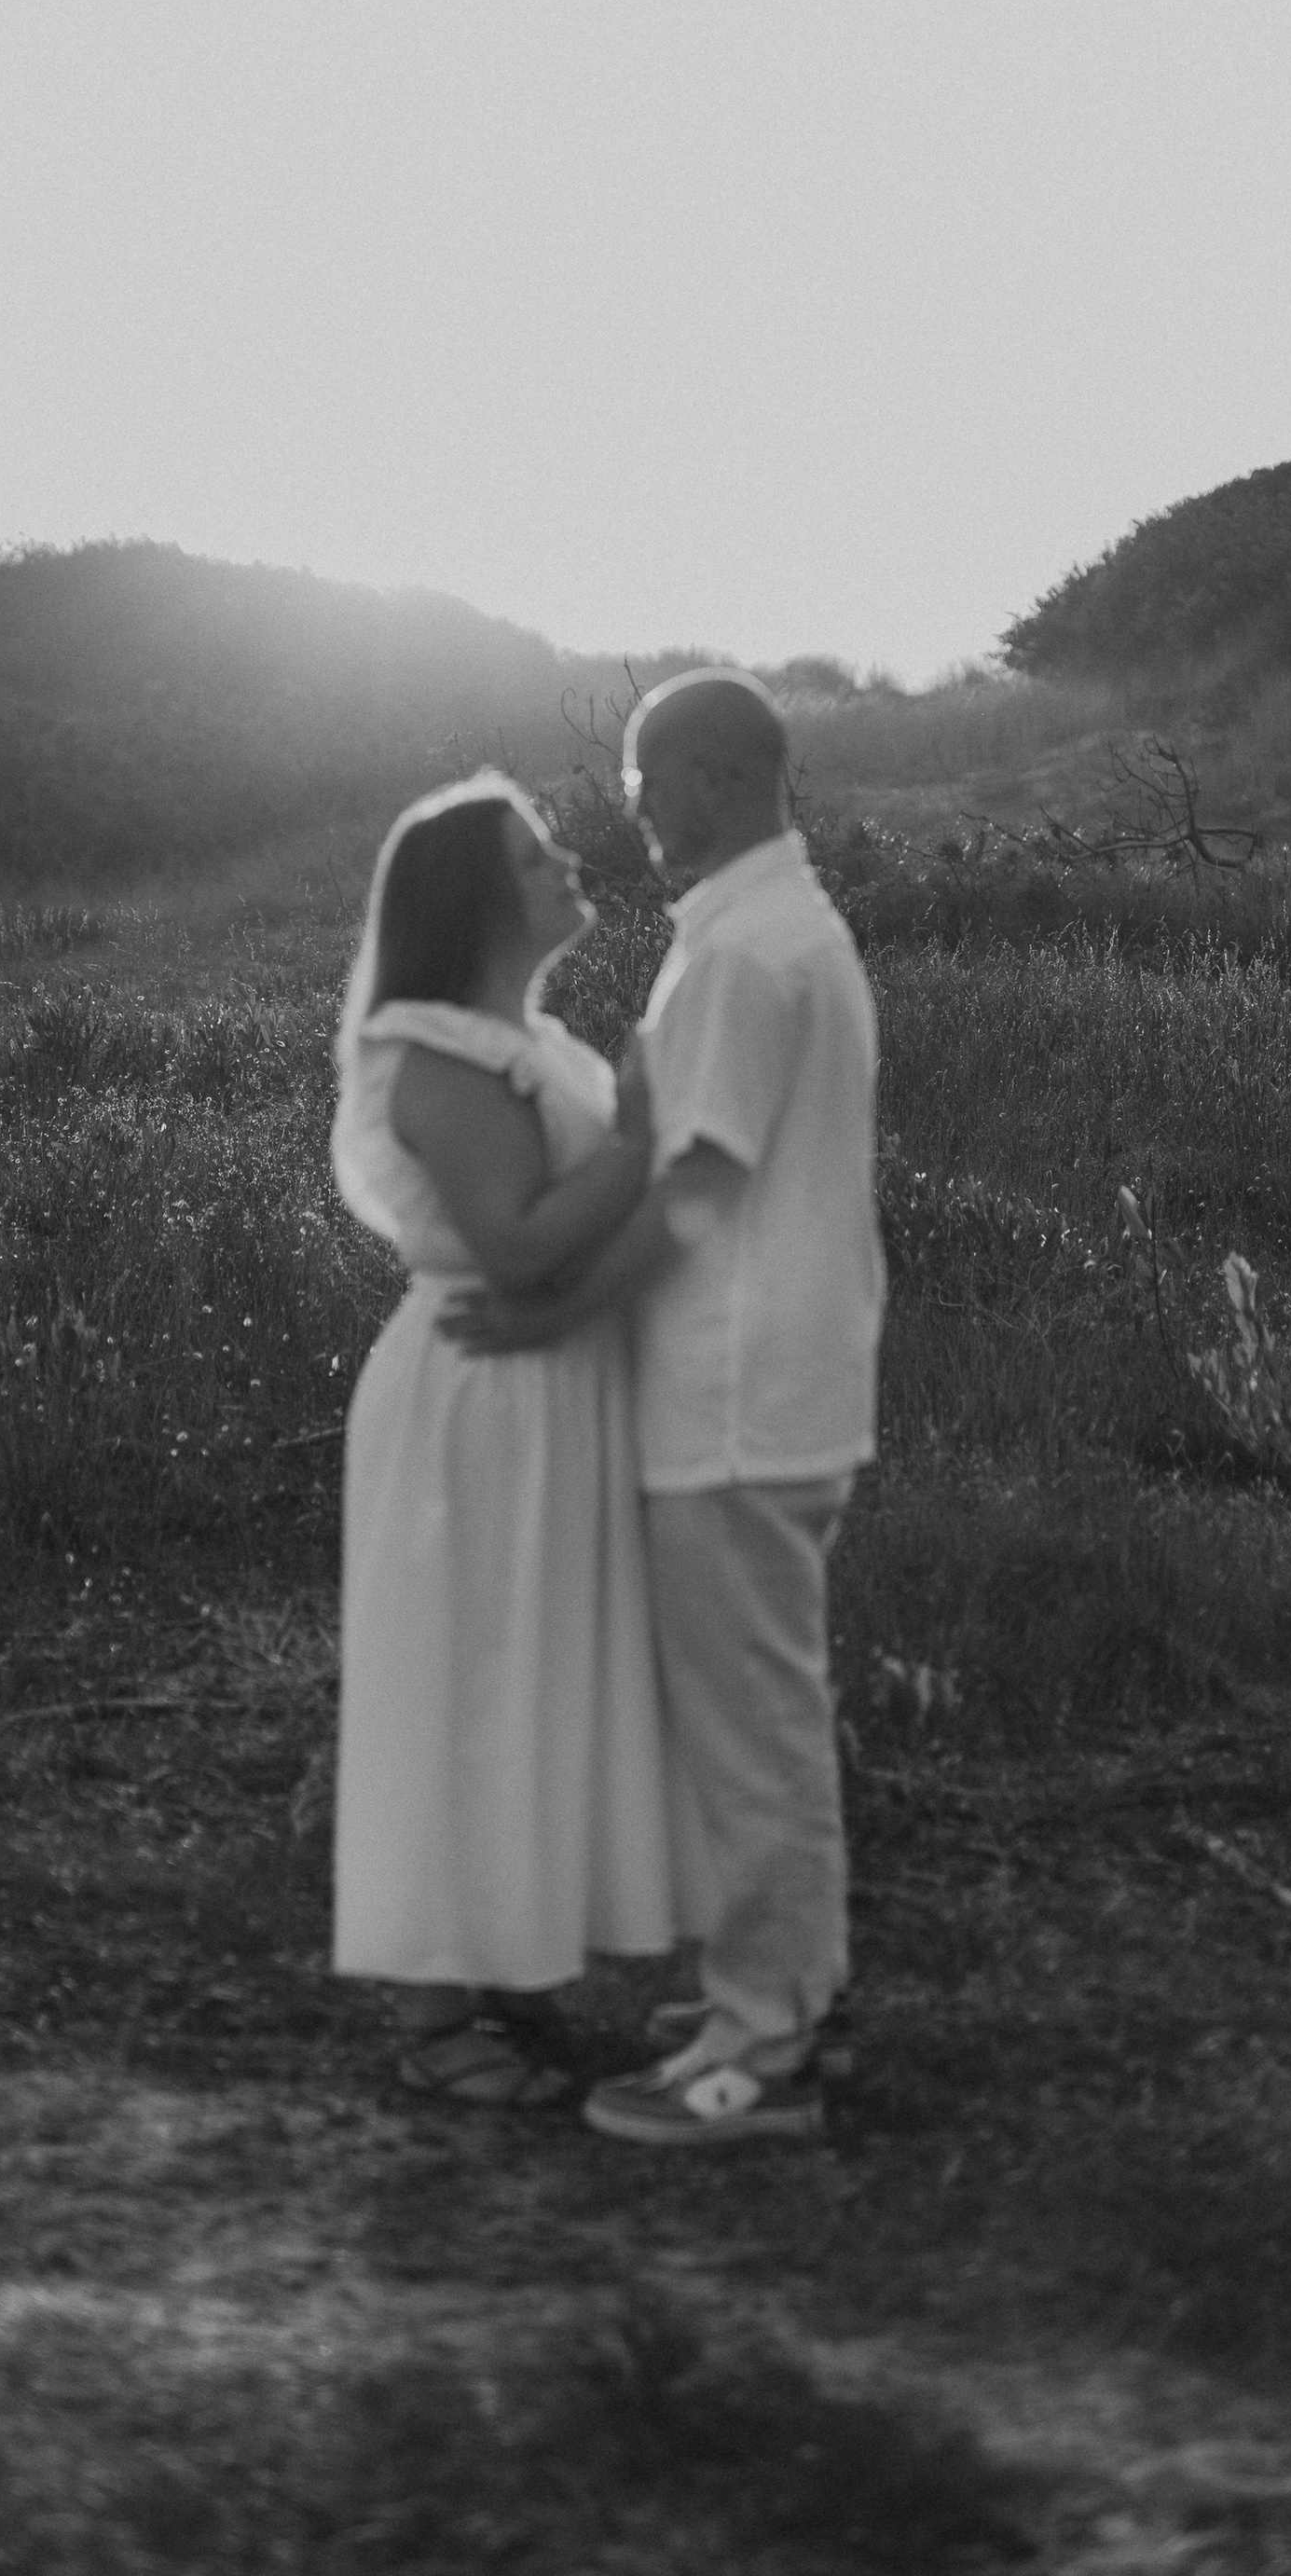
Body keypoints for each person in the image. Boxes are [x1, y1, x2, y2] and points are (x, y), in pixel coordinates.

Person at [449, 671, 883, 2147]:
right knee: (765, 1718)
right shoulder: (771, 932)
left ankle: (760, 2060)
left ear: (709, 775)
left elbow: (695, 1192)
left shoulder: (745, 957)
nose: (630, 813)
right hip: (773, 1385)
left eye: (643, 784)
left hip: (739, 1397)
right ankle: (782, 1994)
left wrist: (550, 1312)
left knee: (753, 1734)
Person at [327, 772, 679, 2106]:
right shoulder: (435, 1053)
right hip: (480, 1385)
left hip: (549, 1383)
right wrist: (651, 1137)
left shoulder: (530, 1041)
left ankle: (515, 1964)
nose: (570, 864)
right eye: (537, 857)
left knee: (534, 1660)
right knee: (462, 1663)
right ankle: (434, 2009)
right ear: (476, 899)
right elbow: (519, 1241)